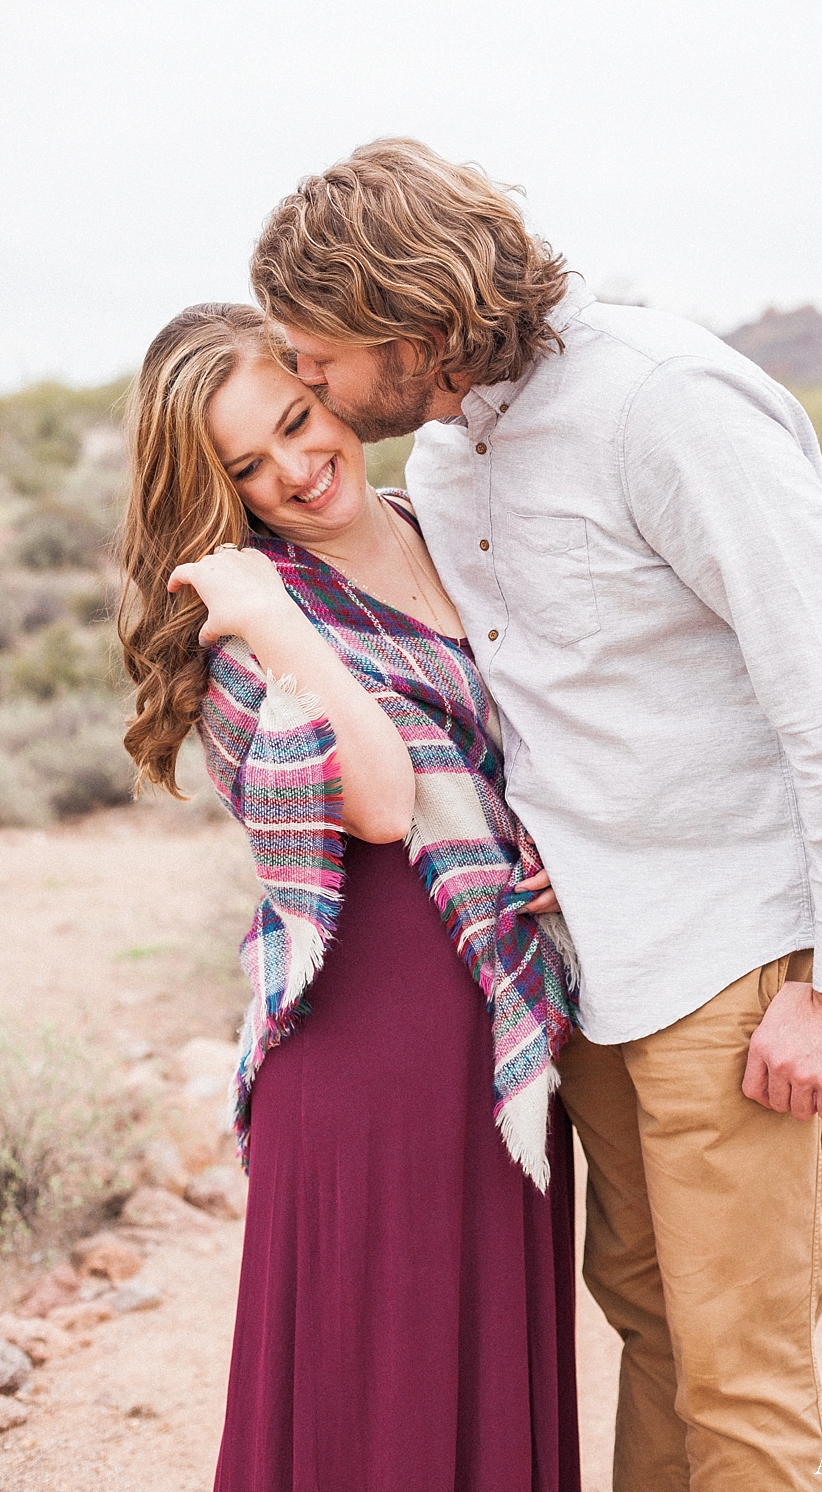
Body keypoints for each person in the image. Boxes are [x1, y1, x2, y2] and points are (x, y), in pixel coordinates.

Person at [247, 138, 822, 1492]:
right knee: (651, 1321)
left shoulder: (660, 402)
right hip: (588, 968)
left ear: (405, 314)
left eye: (316, 356)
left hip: (727, 956)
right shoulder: (442, 462)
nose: (306, 385)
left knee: (738, 1365)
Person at [116, 303, 582, 1492]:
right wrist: (278, 622)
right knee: (372, 1398)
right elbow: (377, 800)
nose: (294, 468)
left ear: (328, 382)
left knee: (476, 1384)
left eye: (297, 417)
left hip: (501, 1011)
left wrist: (572, 841)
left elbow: (560, 722)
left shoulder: (451, 530)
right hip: (367, 1044)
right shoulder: (240, 618)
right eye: (246, 467)